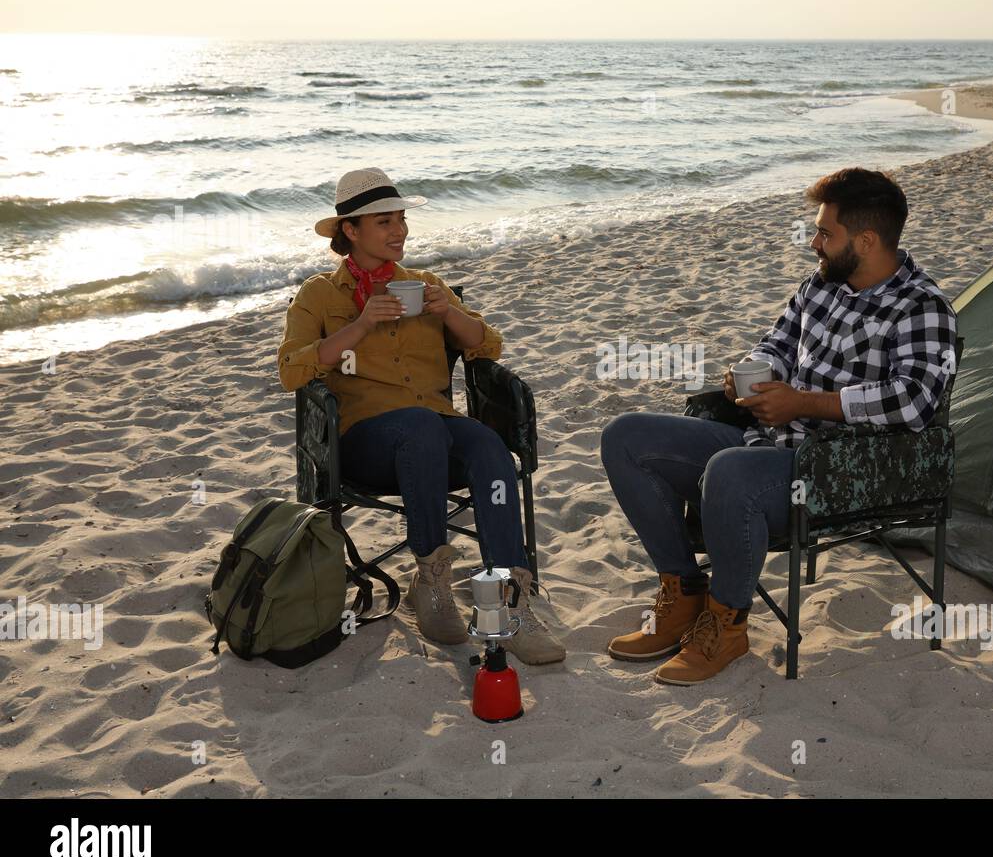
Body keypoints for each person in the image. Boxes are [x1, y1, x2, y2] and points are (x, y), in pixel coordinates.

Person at [600, 167, 957, 685]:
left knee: (729, 471)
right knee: (626, 436)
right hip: (771, 441)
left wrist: (804, 404)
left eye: (824, 233)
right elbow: (778, 343)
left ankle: (726, 626)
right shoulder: (823, 284)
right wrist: (753, 377)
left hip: (845, 469)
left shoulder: (921, 307)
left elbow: (916, 401)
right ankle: (683, 592)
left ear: (867, 239)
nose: (814, 243)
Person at [277, 167, 564, 665]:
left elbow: (486, 346)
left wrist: (447, 312)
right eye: (385, 221)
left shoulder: (427, 285)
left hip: (435, 433)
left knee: (485, 444)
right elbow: (291, 370)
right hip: (365, 447)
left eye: (402, 219)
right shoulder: (319, 294)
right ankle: (431, 580)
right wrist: (362, 325)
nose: (400, 231)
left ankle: (508, 604)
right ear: (351, 230)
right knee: (423, 427)